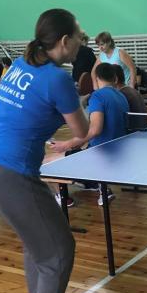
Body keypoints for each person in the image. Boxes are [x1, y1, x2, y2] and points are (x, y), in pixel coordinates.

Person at [0, 9, 89, 293]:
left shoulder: (20, 64)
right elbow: (82, 130)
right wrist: (80, 104)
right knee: (59, 252)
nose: (81, 41)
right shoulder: (57, 79)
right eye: (78, 36)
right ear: (64, 41)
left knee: (38, 242)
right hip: (13, 173)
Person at [48, 62, 129, 206]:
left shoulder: (98, 96)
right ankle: (96, 184)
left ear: (96, 78)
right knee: (76, 151)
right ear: (115, 79)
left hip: (100, 155)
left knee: (46, 162)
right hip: (120, 152)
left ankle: (63, 198)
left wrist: (66, 144)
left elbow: (95, 130)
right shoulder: (121, 96)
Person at [112, 64, 147, 132]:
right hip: (142, 131)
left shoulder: (121, 95)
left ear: (115, 79)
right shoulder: (133, 91)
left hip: (132, 133)